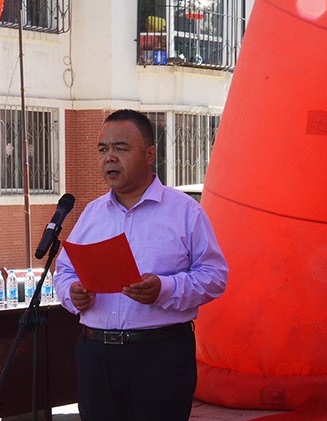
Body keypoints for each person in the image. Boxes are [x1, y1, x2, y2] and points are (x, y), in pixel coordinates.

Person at [53, 109, 228, 421]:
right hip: (97, 355)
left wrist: (165, 288)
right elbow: (65, 270)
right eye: (103, 149)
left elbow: (214, 276)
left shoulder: (185, 211)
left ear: (149, 155)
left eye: (120, 148)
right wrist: (72, 292)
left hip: (159, 355)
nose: (109, 158)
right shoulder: (92, 214)